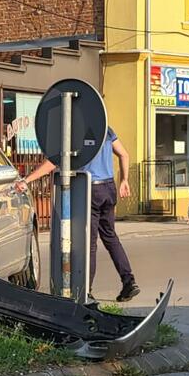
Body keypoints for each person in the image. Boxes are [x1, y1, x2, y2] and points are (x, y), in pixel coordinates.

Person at [15, 128, 140, 302]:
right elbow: (124, 154)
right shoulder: (105, 129)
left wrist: (27, 180)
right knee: (110, 236)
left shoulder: (74, 132)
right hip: (109, 187)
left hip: (90, 188)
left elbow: (53, 163)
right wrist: (124, 180)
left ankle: (85, 291)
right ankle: (129, 282)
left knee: (90, 242)